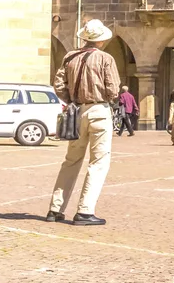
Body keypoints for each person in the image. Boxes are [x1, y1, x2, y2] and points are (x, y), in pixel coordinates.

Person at [47, 19, 120, 226]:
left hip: (77, 111)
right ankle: (85, 211)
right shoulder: (105, 58)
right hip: (98, 109)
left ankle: (55, 208)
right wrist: (106, 96)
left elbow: (58, 83)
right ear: (101, 40)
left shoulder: (70, 56)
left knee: (71, 161)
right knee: (98, 162)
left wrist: (70, 100)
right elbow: (113, 89)